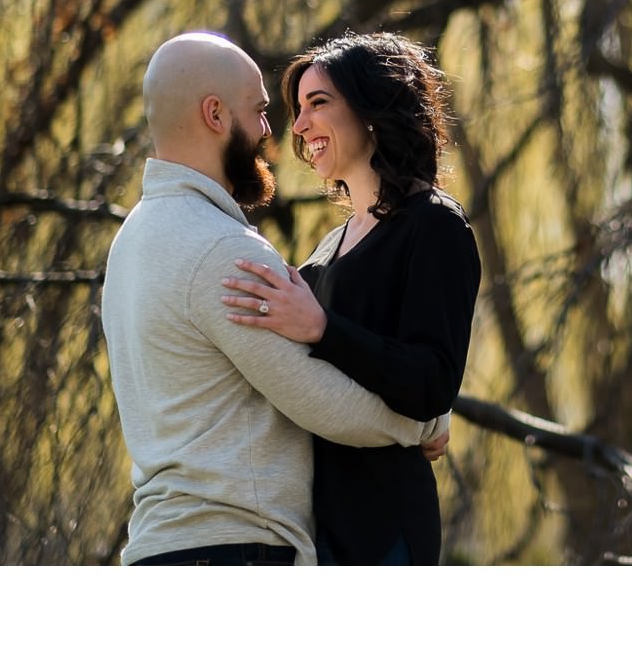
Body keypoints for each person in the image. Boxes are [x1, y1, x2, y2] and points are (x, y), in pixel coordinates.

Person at [101, 31, 447, 567]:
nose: (271, 130)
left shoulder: (132, 242)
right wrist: (425, 422)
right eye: (259, 111)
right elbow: (322, 402)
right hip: (235, 548)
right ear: (215, 114)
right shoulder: (222, 250)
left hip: (160, 549)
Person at [221, 31, 481, 565]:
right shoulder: (329, 246)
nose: (299, 126)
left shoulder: (434, 226)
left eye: (318, 103)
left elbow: (431, 381)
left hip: (383, 525)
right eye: (297, 109)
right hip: (317, 523)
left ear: (371, 109)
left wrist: (322, 329)